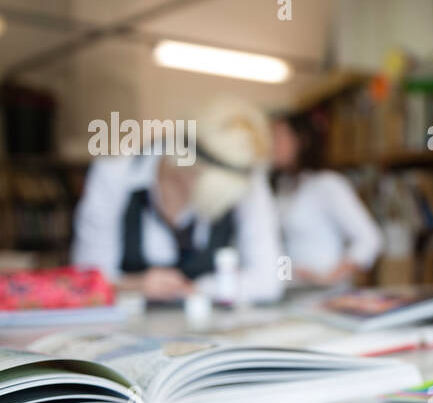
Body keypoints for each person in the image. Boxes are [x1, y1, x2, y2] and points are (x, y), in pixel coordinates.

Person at [72, 96, 283, 303]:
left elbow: (269, 279)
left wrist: (200, 288)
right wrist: (134, 285)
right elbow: (86, 279)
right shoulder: (115, 173)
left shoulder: (248, 177)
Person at [270, 114, 382, 286]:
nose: (272, 146)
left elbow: (370, 239)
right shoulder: (283, 188)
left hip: (326, 292)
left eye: (279, 137)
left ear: (302, 140)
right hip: (293, 291)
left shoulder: (327, 184)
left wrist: (331, 276)